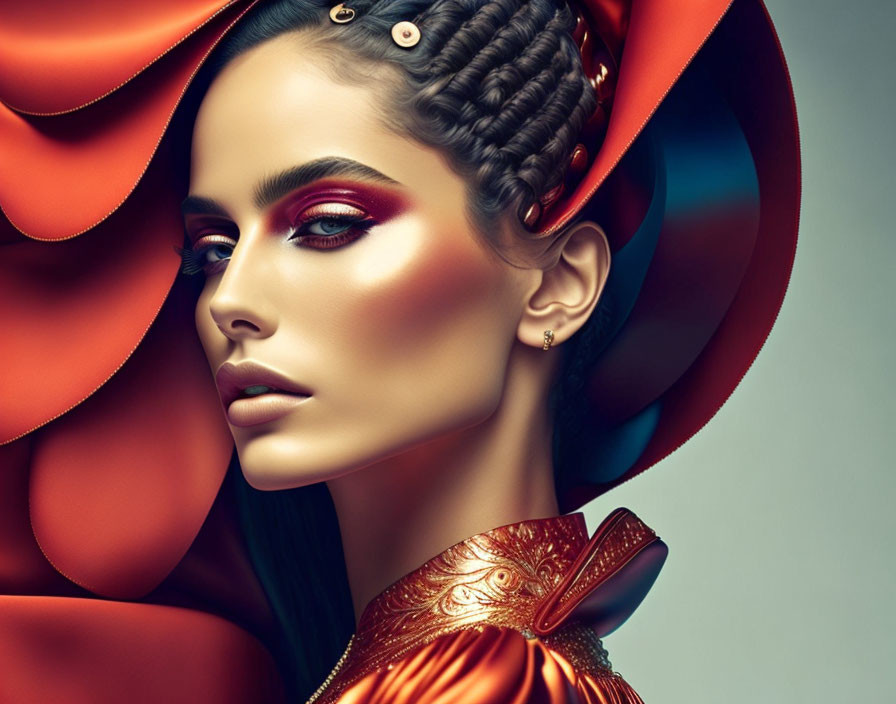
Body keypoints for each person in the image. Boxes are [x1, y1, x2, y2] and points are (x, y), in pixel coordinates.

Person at [0, 0, 799, 702]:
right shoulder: (466, 672)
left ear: (557, 281)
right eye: (212, 248)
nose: (229, 301)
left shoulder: (492, 686)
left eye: (329, 224)